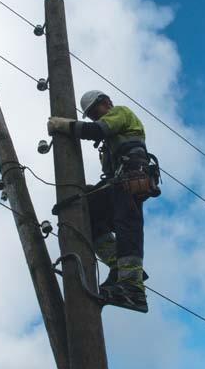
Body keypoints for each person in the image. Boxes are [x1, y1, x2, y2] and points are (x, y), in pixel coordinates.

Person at [47, 90, 156, 313]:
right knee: (89, 215)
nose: (96, 117)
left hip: (132, 179)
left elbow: (96, 130)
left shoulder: (121, 113)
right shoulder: (108, 146)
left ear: (105, 102)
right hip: (118, 183)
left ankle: (132, 286)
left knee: (128, 225)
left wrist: (63, 125)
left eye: (95, 111)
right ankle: (118, 265)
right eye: (92, 115)